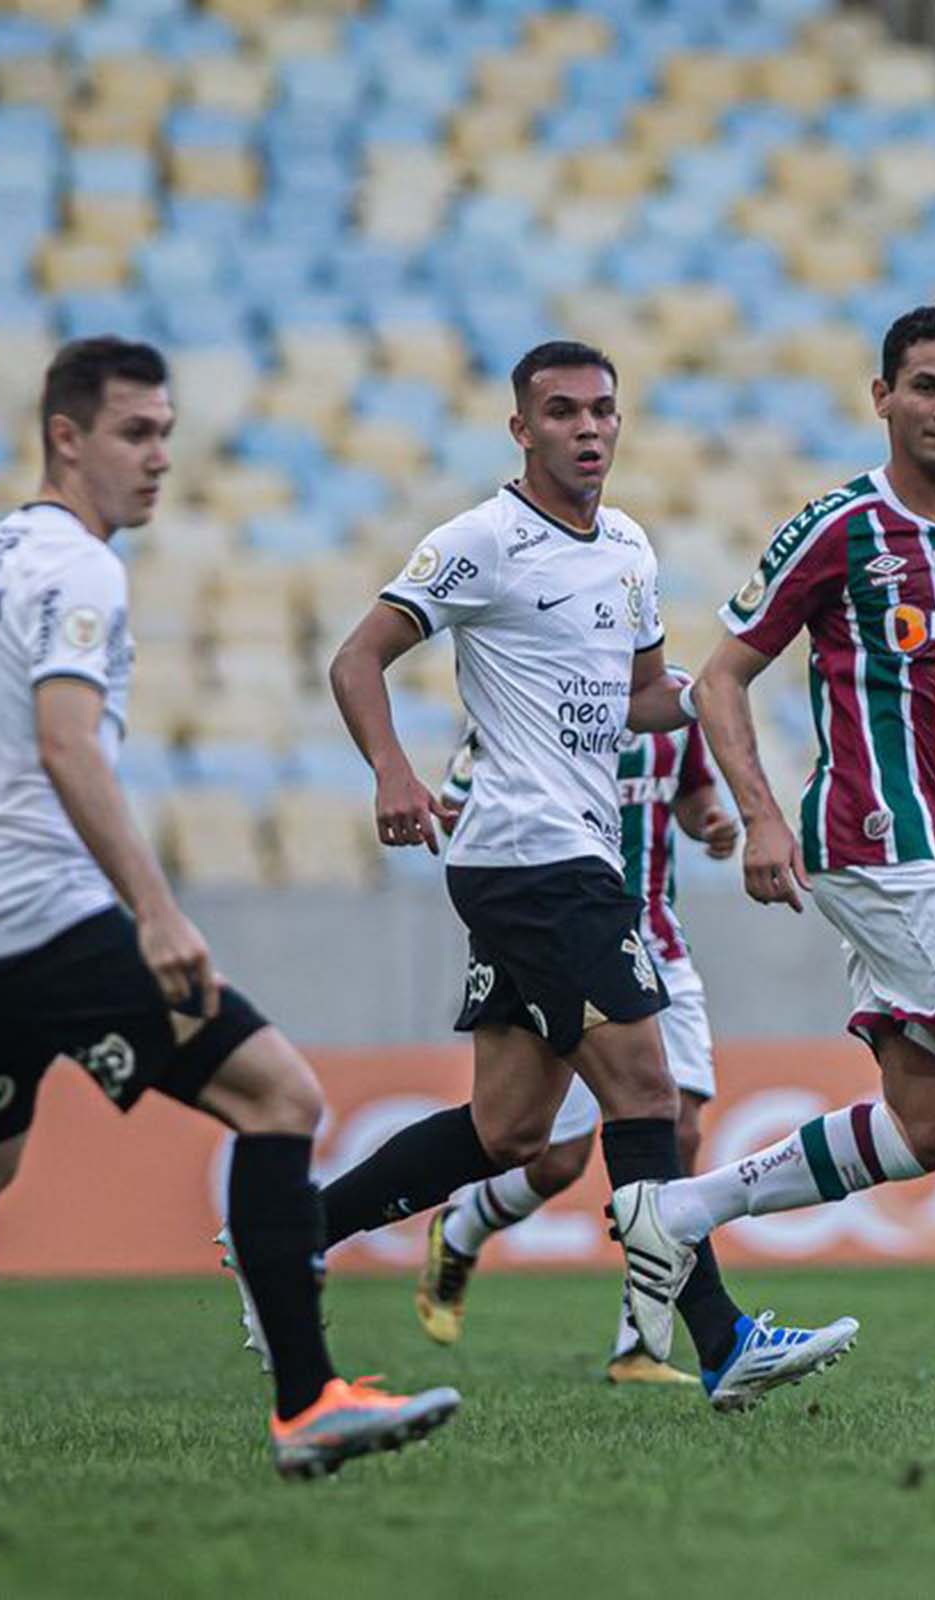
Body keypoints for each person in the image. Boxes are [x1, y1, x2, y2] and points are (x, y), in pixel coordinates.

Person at [0, 338, 456, 1490]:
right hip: (51, 919)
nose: (159, 460)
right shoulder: (81, 570)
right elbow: (63, 741)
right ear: (66, 436)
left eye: (168, 436)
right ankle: (307, 1403)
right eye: (137, 434)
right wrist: (155, 911)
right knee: (279, 1095)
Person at [308, 339, 853, 1411]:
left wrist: (724, 687)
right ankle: (721, 1338)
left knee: (509, 1132)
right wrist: (393, 771)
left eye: (603, 410)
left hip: (563, 858)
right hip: (534, 858)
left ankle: (294, 1235)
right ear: (522, 429)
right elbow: (355, 658)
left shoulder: (630, 551)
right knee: (649, 1098)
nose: (589, 428)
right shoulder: (483, 541)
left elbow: (644, 696)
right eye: (562, 412)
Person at [609, 305, 935, 1423]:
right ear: (880, 396)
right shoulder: (839, 529)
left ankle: (680, 1211)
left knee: (931, 1123)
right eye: (925, 387)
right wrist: (760, 817)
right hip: (871, 844)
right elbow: (721, 674)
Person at [412, 720, 736, 1386]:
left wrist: (712, 824)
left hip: (659, 949)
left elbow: (695, 795)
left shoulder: (674, 709)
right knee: (551, 1159)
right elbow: (458, 808)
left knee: (680, 1128)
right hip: (567, 945)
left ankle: (640, 1342)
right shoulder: (536, 698)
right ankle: (463, 1229)